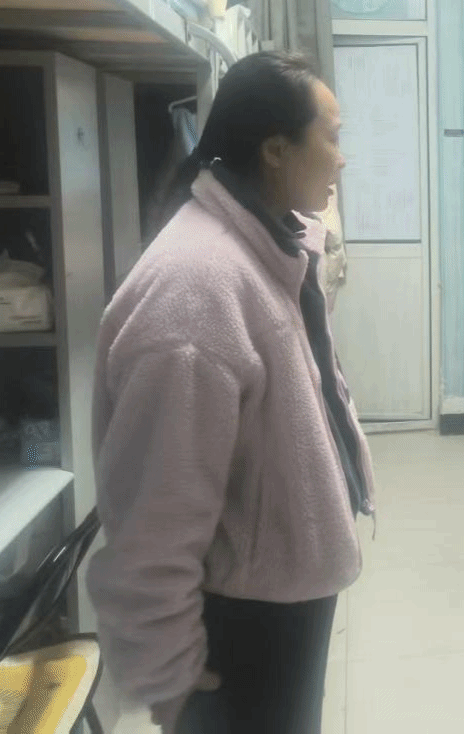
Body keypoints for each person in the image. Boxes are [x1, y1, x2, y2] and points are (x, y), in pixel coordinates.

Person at [88, 52, 375, 734]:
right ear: (276, 150)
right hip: (238, 622)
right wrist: (168, 661)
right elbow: (153, 507)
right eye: (332, 137)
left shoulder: (264, 244)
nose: (342, 159)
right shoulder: (197, 290)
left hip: (276, 590)